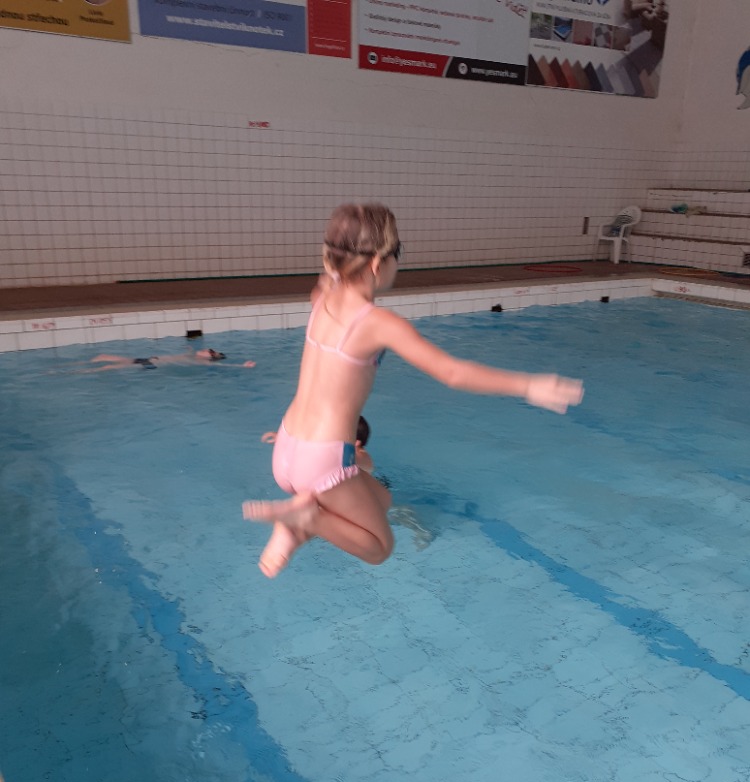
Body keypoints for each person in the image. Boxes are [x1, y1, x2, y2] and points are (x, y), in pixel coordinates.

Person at [243, 203, 583, 578]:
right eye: (398, 252)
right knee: (379, 547)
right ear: (377, 263)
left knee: (382, 497)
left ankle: (296, 527)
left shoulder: (323, 297)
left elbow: (329, 281)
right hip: (323, 460)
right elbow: (452, 372)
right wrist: (529, 385)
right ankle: (306, 520)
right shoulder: (377, 322)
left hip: (287, 444)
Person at [86, 348, 256, 370]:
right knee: (105, 358)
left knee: (108, 366)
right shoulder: (192, 354)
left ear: (210, 357)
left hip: (150, 364)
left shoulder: (201, 361)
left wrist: (241, 366)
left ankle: (82, 371)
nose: (206, 349)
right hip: (151, 359)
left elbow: (222, 366)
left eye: (210, 351)